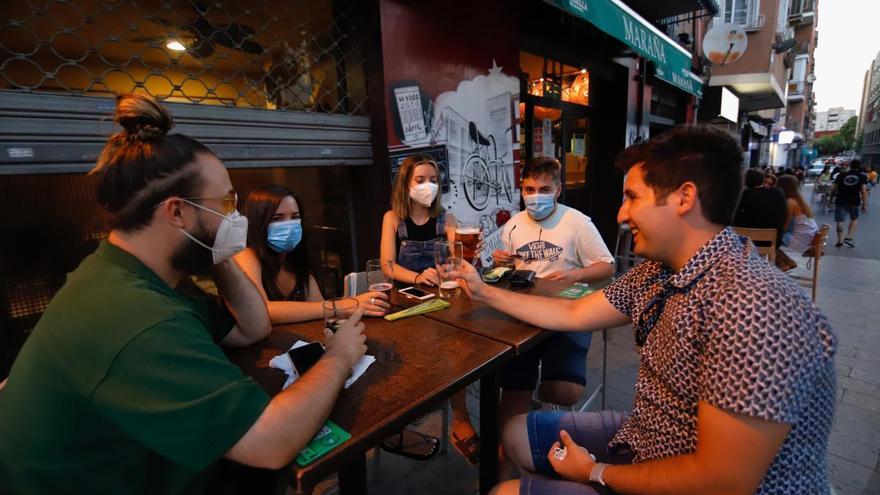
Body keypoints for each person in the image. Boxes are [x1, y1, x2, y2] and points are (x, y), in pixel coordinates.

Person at [0, 94, 368, 494]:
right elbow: (270, 442)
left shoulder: (136, 276)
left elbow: (253, 327)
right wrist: (339, 356)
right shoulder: (136, 315)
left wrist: (217, 250)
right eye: (226, 203)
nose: (235, 215)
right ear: (176, 213)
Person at [454, 126, 835, 495]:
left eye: (632, 198)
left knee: (505, 491)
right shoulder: (660, 271)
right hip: (647, 434)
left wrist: (596, 472)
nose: (621, 214)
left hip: (697, 476)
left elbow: (721, 483)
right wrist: (485, 292)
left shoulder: (753, 306)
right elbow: (574, 314)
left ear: (684, 198)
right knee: (513, 432)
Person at [491, 156, 614, 430]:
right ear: (521, 190)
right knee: (512, 392)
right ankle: (504, 458)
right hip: (525, 313)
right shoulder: (513, 224)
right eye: (529, 190)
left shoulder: (578, 222)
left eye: (544, 190)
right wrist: (504, 262)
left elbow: (607, 265)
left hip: (568, 312)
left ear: (558, 190)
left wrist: (576, 274)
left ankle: (544, 401)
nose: (536, 197)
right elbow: (515, 267)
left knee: (562, 392)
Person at [378, 153, 462, 462]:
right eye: (420, 179)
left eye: (434, 180)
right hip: (404, 302)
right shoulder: (393, 219)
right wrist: (417, 275)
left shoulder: (447, 219)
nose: (429, 186)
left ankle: (458, 416)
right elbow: (387, 265)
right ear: (406, 184)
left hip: (441, 304)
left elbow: (458, 257)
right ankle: (405, 416)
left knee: (459, 352)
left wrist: (448, 269)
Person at [234, 184, 390, 322]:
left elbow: (324, 311)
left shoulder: (299, 270)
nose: (289, 225)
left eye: (294, 217)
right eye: (277, 219)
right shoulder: (247, 255)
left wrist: (358, 307)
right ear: (258, 222)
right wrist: (345, 304)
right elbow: (262, 311)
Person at [777, 175, 818, 253]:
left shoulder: (790, 202)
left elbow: (785, 226)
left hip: (801, 240)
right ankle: (786, 263)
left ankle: (786, 264)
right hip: (809, 236)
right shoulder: (799, 200)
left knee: (772, 239)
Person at [833, 159, 868, 247]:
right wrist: (864, 205)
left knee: (840, 221)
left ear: (850, 166)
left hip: (841, 200)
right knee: (854, 218)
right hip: (854, 201)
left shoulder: (841, 175)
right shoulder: (862, 177)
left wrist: (830, 200)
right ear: (859, 166)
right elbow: (863, 191)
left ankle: (840, 240)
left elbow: (834, 188)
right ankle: (849, 237)